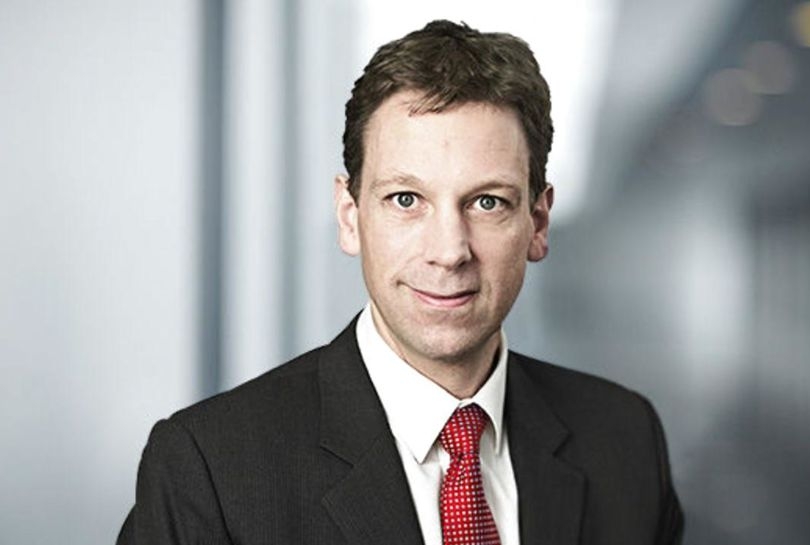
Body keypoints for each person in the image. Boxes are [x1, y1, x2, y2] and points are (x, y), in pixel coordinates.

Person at [118, 20, 683, 545]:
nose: (449, 252)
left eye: (487, 202)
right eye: (406, 199)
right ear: (350, 216)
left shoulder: (625, 441)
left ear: (537, 222)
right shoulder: (210, 469)